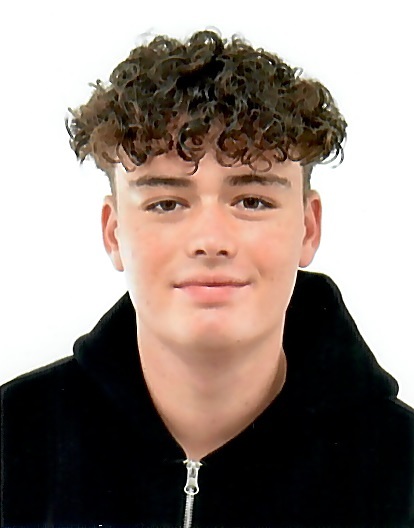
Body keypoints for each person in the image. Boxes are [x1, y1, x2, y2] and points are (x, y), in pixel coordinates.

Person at [1, 29, 413, 528]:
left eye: (252, 201)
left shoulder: (402, 471)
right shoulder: (13, 440)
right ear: (113, 232)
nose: (211, 240)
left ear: (308, 228)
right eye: (166, 203)